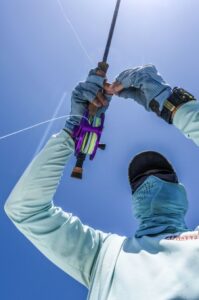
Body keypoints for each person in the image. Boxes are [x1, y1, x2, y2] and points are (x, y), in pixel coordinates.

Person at [4, 64, 199, 299]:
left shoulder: (101, 255)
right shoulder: (103, 254)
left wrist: (167, 101)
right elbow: (25, 210)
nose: (151, 179)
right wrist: (73, 129)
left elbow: (27, 212)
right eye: (140, 181)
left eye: (162, 175)